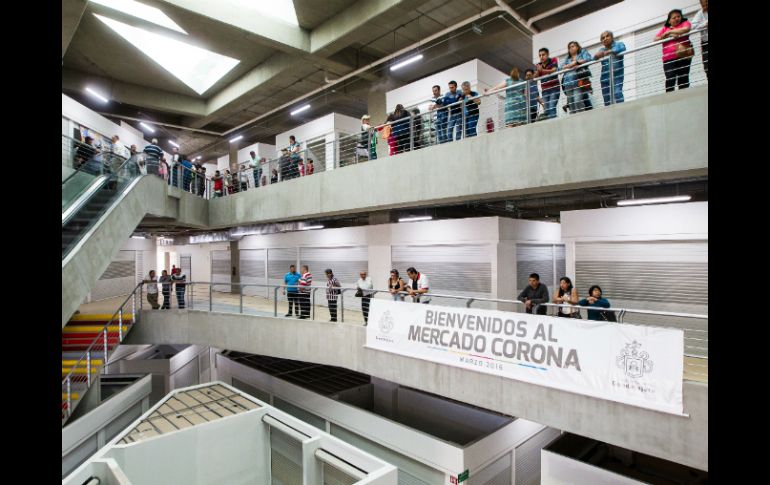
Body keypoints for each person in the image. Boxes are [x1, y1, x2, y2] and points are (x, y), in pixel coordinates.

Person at [655, 9, 693, 93]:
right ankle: (669, 98)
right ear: (669, 20)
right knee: (670, 77)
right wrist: (668, 35)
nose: (677, 18)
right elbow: (655, 38)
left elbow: (686, 29)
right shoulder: (665, 28)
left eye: (678, 16)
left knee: (683, 78)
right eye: (674, 17)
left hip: (683, 55)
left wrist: (670, 32)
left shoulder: (685, 23)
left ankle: (684, 97)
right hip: (668, 58)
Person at [594, 31, 626, 106]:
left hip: (617, 75)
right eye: (603, 38)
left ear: (612, 37)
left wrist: (610, 51)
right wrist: (596, 56)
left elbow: (623, 48)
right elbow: (593, 58)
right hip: (604, 78)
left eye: (607, 36)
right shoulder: (601, 50)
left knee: (617, 93)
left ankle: (623, 111)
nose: (605, 39)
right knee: (606, 99)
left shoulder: (619, 44)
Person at [561, 41, 594, 114]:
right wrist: (569, 65)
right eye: (569, 47)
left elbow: (589, 59)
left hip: (578, 82)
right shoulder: (567, 58)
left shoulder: (582, 53)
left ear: (577, 47)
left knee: (577, 100)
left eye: (573, 46)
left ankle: (581, 117)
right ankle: (573, 120)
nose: (571, 48)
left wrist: (577, 62)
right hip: (567, 83)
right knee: (571, 103)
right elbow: (560, 67)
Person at [535, 48, 560, 119]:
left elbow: (554, 70)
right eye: (540, 55)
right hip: (545, 90)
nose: (541, 57)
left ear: (548, 54)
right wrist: (538, 71)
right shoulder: (538, 65)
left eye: (543, 55)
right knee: (546, 109)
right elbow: (534, 77)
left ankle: (554, 124)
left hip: (554, 88)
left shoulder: (553, 60)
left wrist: (542, 70)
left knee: (552, 107)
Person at [690, 0, 708, 80]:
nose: (706, 3)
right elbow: (693, 26)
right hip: (706, 43)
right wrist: (705, 24)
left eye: (707, 1)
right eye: (704, 2)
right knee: (707, 66)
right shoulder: (700, 13)